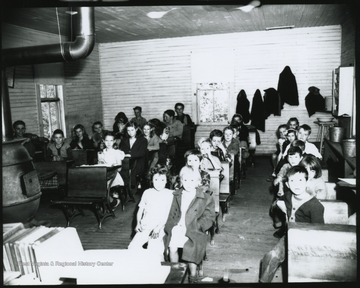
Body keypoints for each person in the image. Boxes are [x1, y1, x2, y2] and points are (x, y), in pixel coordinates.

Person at [259, 165, 324, 283]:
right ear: (287, 185)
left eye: (300, 180)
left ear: (307, 181)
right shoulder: (288, 196)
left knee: (300, 268)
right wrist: (281, 207)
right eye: (292, 181)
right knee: (271, 256)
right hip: (289, 237)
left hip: (308, 240)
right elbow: (280, 202)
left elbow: (319, 231)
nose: (297, 184)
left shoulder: (315, 206)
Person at [163, 166, 215, 283]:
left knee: (191, 251)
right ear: (181, 181)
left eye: (192, 180)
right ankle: (175, 273)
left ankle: (192, 276)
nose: (188, 183)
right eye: (185, 180)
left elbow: (210, 217)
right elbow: (171, 212)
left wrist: (199, 226)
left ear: (198, 182)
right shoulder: (177, 195)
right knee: (172, 247)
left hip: (194, 228)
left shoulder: (205, 197)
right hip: (178, 226)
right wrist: (170, 225)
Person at [128, 165, 174, 261]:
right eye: (156, 179)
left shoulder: (169, 194)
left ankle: (160, 268)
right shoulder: (147, 192)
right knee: (132, 247)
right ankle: (142, 264)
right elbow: (140, 210)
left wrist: (158, 228)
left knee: (154, 250)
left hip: (160, 227)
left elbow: (167, 213)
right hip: (145, 225)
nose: (159, 183)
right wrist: (138, 223)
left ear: (166, 181)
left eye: (162, 180)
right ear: (151, 180)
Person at [119, 121, 148, 201]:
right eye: (128, 130)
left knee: (134, 170)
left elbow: (141, 153)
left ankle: (132, 190)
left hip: (139, 161)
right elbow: (122, 151)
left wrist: (130, 154)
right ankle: (124, 190)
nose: (130, 133)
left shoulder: (143, 140)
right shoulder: (124, 140)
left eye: (132, 130)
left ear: (136, 129)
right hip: (127, 161)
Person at [98, 132, 126, 210]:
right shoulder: (101, 152)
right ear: (103, 141)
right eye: (107, 141)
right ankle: (106, 202)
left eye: (111, 141)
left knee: (103, 185)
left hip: (114, 175)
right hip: (104, 174)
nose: (109, 143)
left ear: (114, 141)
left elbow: (119, 168)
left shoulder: (116, 152)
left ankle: (112, 201)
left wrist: (114, 166)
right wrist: (100, 163)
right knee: (96, 183)